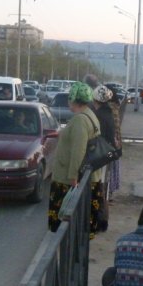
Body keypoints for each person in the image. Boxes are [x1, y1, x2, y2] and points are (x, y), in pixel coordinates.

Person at [48, 81, 106, 239]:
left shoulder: (80, 119)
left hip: (68, 180)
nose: (68, 101)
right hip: (82, 176)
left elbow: (78, 150)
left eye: (70, 97)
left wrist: (73, 177)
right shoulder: (89, 114)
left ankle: (65, 251)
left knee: (63, 222)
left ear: (74, 99)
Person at [92, 85, 116, 217]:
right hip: (108, 152)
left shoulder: (99, 115)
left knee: (99, 186)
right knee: (104, 187)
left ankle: (100, 216)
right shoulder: (109, 113)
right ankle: (103, 215)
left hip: (100, 154)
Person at [105, 85, 122, 201]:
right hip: (116, 143)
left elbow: (113, 127)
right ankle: (110, 192)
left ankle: (108, 193)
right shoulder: (116, 106)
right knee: (113, 167)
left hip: (111, 143)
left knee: (108, 168)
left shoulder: (108, 108)